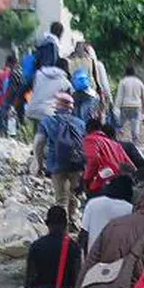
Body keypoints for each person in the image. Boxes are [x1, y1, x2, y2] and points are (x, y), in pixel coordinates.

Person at [37, 93, 86, 223]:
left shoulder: (47, 122)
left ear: (56, 106)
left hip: (56, 164)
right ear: (71, 107)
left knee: (61, 200)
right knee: (73, 194)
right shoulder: (80, 123)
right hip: (76, 165)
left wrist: (40, 163)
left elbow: (39, 143)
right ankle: (73, 220)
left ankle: (62, 232)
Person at [26, 58, 73, 163]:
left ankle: (36, 158)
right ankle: (44, 162)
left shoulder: (39, 74)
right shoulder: (65, 82)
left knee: (37, 135)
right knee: (47, 138)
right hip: (49, 112)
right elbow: (68, 101)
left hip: (33, 108)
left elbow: (31, 87)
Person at [79, 175, 134, 254]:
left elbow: (83, 234)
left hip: (94, 256)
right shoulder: (130, 209)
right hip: (118, 258)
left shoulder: (93, 203)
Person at [83, 119, 133, 196]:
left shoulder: (90, 139)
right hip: (119, 184)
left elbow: (92, 160)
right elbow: (129, 165)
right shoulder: (114, 143)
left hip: (101, 183)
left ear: (87, 129)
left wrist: (86, 180)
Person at [67, 41, 104, 118]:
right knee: (88, 116)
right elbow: (96, 77)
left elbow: (67, 77)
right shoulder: (90, 59)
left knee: (76, 116)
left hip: (75, 92)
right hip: (90, 91)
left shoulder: (69, 60)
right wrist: (100, 93)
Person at [116, 66, 144, 143]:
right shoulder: (139, 82)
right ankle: (135, 143)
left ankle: (118, 142)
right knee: (135, 127)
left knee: (120, 125)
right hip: (136, 107)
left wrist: (116, 108)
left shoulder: (123, 82)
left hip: (124, 106)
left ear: (126, 72)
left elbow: (119, 96)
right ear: (134, 73)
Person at [0, 55, 18, 137]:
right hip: (16, 101)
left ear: (6, 62)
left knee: (4, 122)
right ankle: (12, 137)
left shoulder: (2, 73)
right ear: (15, 63)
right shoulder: (19, 73)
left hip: (4, 101)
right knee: (12, 122)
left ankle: (4, 137)